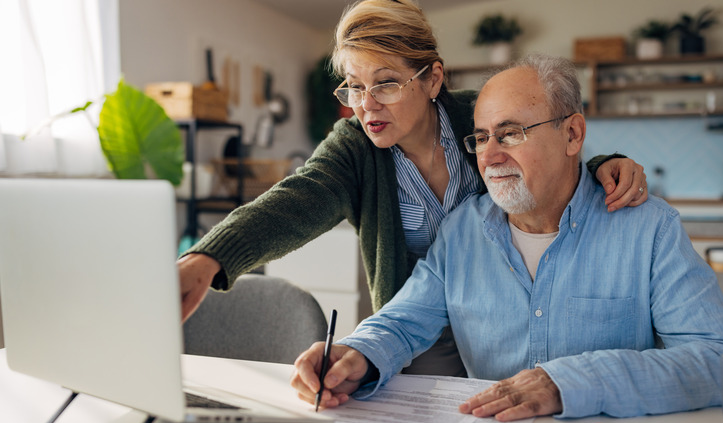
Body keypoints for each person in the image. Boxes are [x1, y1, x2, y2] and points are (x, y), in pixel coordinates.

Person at [178, 0, 648, 377]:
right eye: (354, 87)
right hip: (419, 328)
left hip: (508, 316)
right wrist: (209, 258)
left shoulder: (477, 117)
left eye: (385, 84)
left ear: (432, 79)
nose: (366, 106)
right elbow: (293, 201)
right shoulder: (356, 149)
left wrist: (606, 165)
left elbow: (544, 154)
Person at [290, 53, 723, 420]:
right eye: (481, 137)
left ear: (573, 134)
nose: (488, 156)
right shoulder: (461, 232)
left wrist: (571, 381)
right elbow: (403, 321)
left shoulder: (649, 228)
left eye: (510, 134)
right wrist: (357, 353)